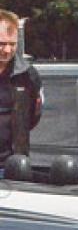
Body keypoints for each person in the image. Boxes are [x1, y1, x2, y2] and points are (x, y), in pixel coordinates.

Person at [0, 10, 42, 166]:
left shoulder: (28, 75)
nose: (7, 50)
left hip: (13, 164)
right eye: (2, 44)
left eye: (12, 44)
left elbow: (34, 116)